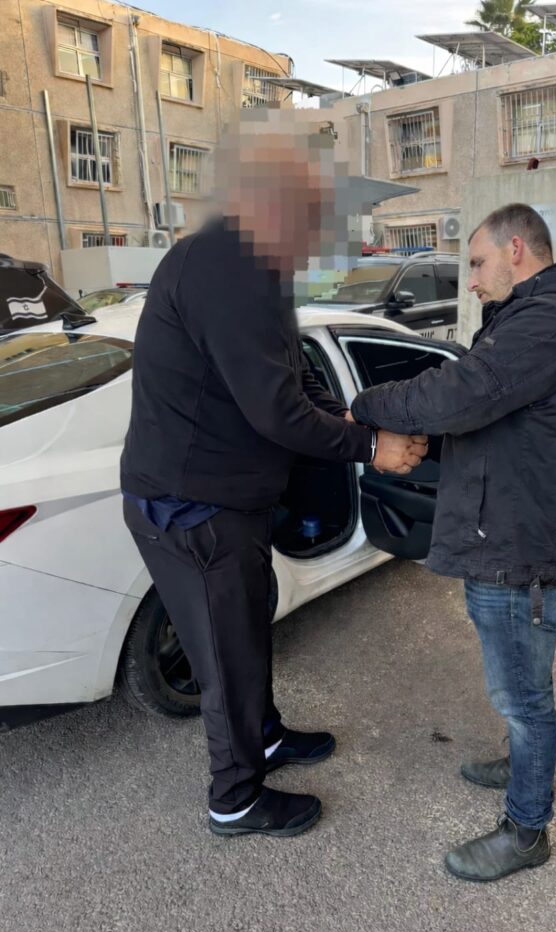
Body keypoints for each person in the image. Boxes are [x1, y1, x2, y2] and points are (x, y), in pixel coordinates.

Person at [120, 121, 427, 839]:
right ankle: (235, 798)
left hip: (227, 502)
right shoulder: (226, 267)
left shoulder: (251, 266)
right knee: (227, 657)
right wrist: (370, 447)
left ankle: (263, 737)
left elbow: (290, 378)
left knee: (247, 635)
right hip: (193, 508)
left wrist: (346, 414)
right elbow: (276, 412)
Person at [351, 204, 556, 881]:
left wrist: (364, 405)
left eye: (476, 263)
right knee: (522, 687)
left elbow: (454, 397)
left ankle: (526, 831)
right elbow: (494, 414)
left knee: (523, 699)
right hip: (517, 535)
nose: (469, 281)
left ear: (516, 249)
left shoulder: (548, 322)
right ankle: (522, 762)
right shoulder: (544, 317)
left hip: (520, 550)